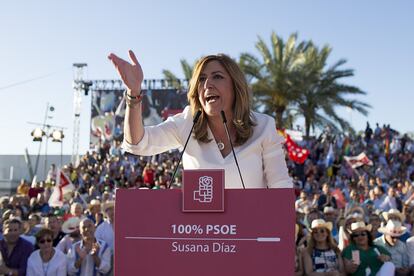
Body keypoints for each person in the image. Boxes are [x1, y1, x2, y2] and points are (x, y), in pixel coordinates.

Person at [108, 51, 292, 189]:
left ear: (236, 86)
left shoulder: (264, 126)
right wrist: (133, 93)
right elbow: (137, 144)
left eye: (217, 77)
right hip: (199, 237)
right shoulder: (187, 122)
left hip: (248, 236)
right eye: (201, 79)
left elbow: (280, 185)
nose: (207, 85)